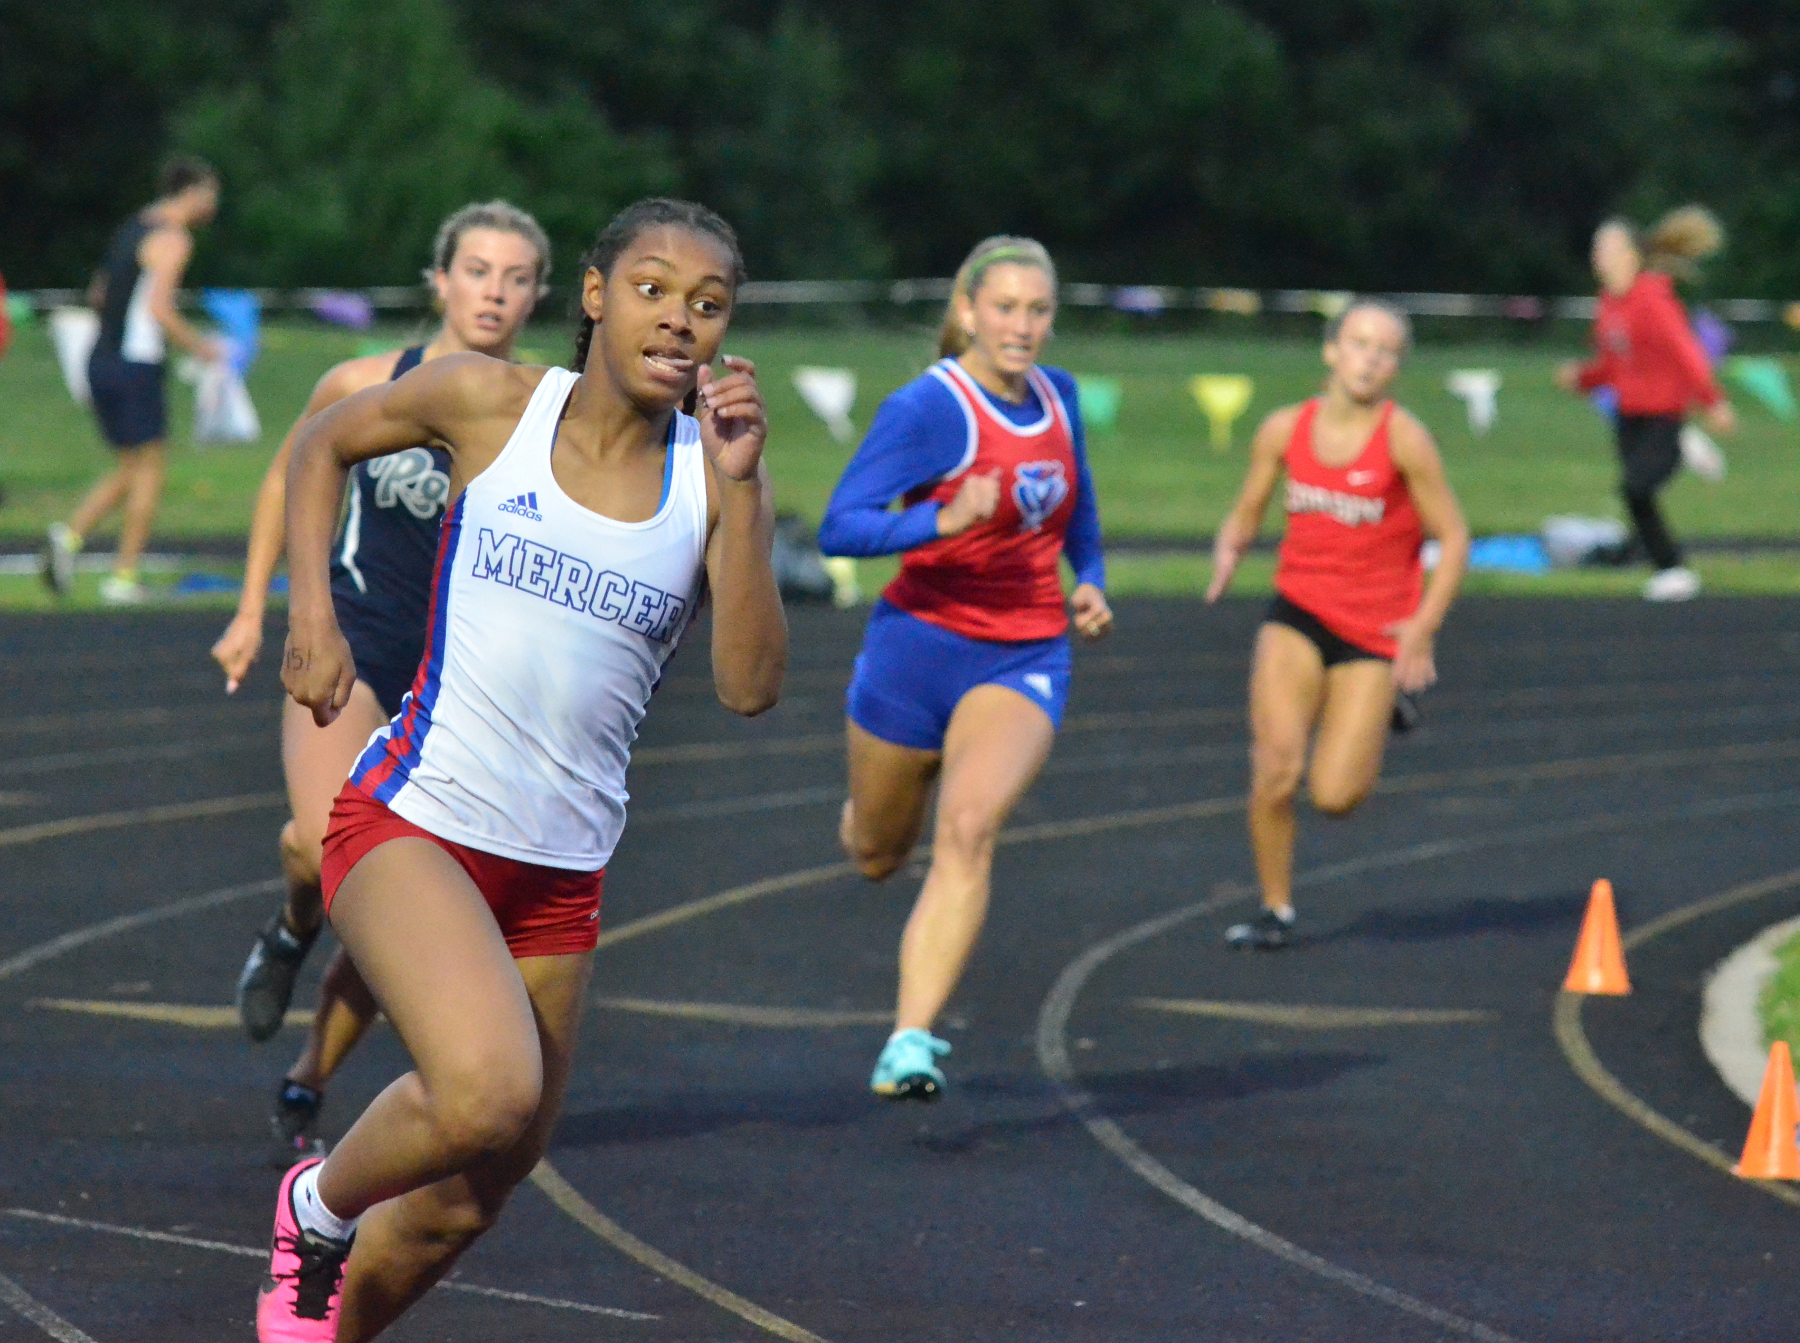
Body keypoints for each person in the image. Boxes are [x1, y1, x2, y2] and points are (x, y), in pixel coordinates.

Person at [255, 196, 783, 1343]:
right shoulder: (493, 402)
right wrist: (313, 612)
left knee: (465, 1198)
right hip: (414, 820)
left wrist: (741, 490)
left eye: (707, 304)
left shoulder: (714, 476)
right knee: (487, 1090)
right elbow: (322, 442)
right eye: (651, 288)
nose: (677, 319)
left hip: (561, 875)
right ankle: (318, 1201)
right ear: (594, 296)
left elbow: (749, 685)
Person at [211, 202, 551, 1167]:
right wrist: (255, 609)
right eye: (476, 269)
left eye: (516, 274)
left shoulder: (542, 411)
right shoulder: (369, 382)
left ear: (538, 293)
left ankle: (308, 1074)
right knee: (327, 852)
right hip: (357, 651)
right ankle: (289, 926)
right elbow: (291, 472)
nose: (494, 289)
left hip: (463, 689)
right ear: (438, 281)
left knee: (397, 890)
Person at [819, 236, 1110, 1102]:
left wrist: (1088, 579)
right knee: (876, 852)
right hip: (917, 646)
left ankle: (910, 1037)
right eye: (1007, 307)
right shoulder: (929, 409)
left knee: (969, 828)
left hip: (1023, 651)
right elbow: (842, 526)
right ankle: (874, 805)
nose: (1023, 326)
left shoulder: (1059, 398)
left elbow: (1079, 502)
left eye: (1038, 309)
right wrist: (940, 522)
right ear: (970, 312)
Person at [1208, 300, 1470, 951]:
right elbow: (1248, 508)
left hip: (1373, 632)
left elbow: (1455, 536)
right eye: (1358, 343)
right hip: (1297, 613)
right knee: (1274, 768)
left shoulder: (1404, 438)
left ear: (1396, 367)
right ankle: (1276, 908)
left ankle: (1384, 704)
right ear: (1331, 351)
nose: (1370, 358)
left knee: (1333, 795)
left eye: (1385, 350)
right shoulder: (1282, 429)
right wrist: (1230, 548)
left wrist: (1422, 626)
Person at [42, 157, 223, 604]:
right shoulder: (173, 239)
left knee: (130, 466)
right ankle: (122, 579)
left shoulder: (132, 227)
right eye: (211, 194)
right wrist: (201, 347)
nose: (214, 205)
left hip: (101, 358)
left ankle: (67, 538)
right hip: (134, 364)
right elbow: (161, 309)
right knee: (150, 471)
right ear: (193, 192)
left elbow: (100, 293)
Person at [1555, 206, 1735, 602]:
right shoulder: (1608, 304)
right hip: (1628, 416)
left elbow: (1687, 353)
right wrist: (1581, 378)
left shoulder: (1653, 299)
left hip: (1662, 415)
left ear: (1630, 255)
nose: (1597, 256)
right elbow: (1611, 365)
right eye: (1596, 248)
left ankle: (1673, 570)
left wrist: (1713, 402)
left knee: (1635, 489)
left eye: (1606, 247)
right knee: (1636, 493)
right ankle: (1649, 558)